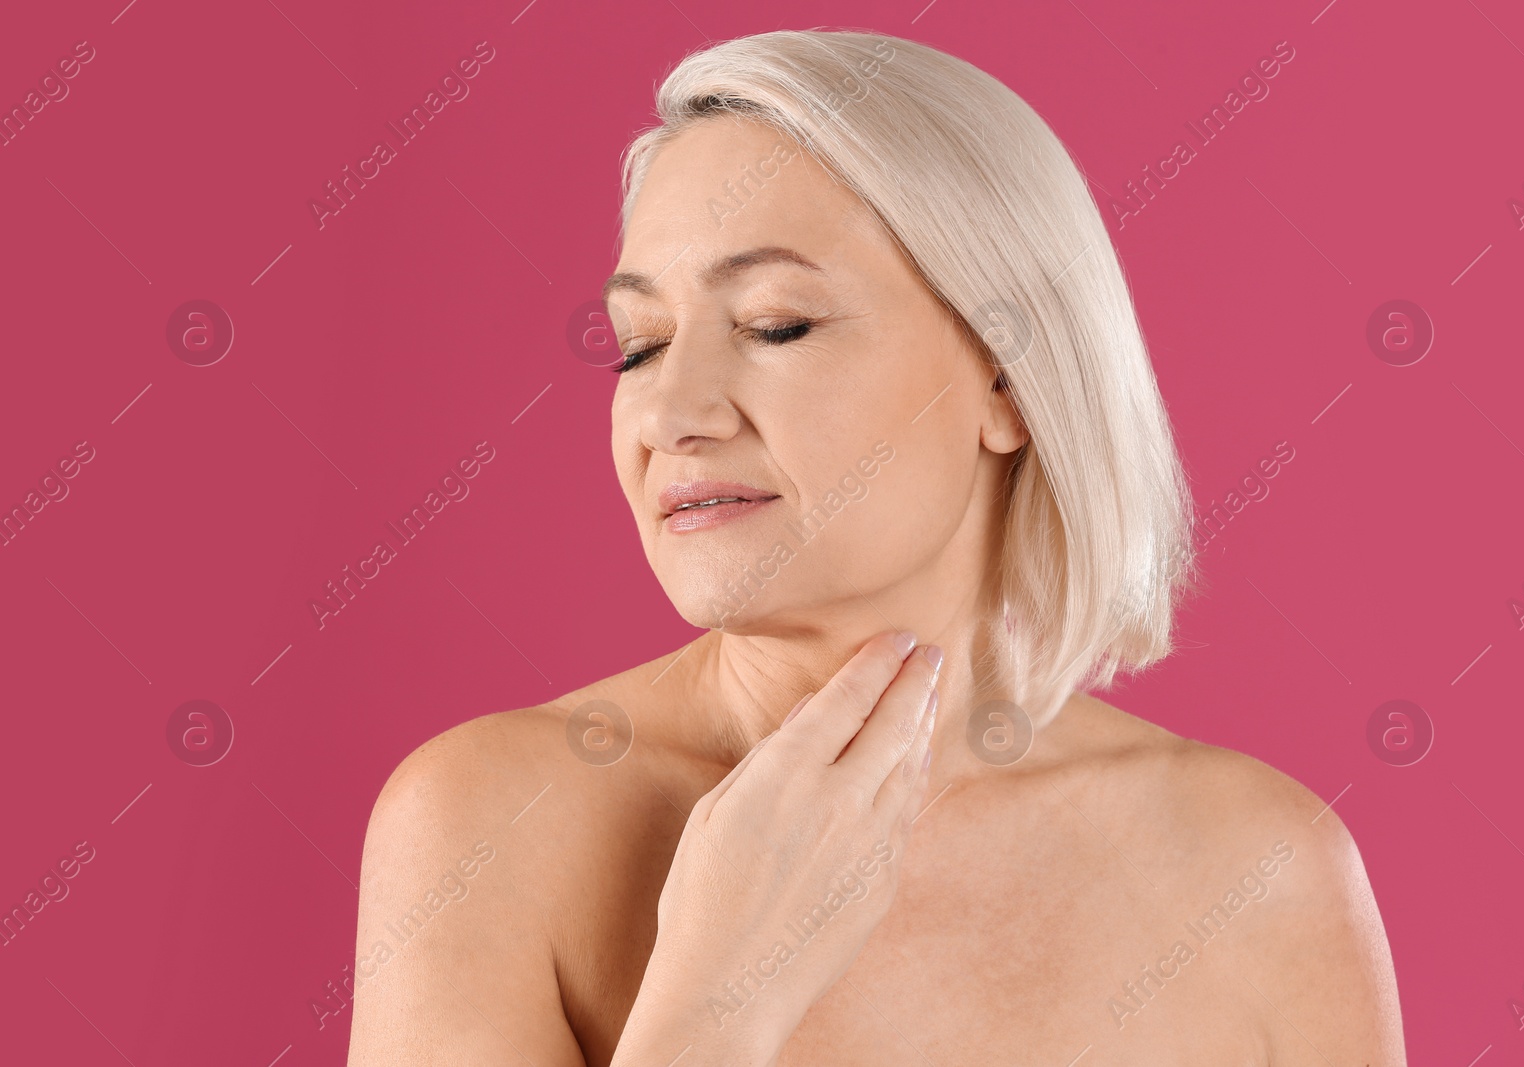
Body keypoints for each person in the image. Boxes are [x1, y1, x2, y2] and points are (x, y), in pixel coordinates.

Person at [348, 28, 1405, 1066]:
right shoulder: (488, 823)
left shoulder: (1258, 867)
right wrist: (718, 1004)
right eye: (640, 345)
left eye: (774, 324)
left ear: (1005, 376)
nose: (671, 409)